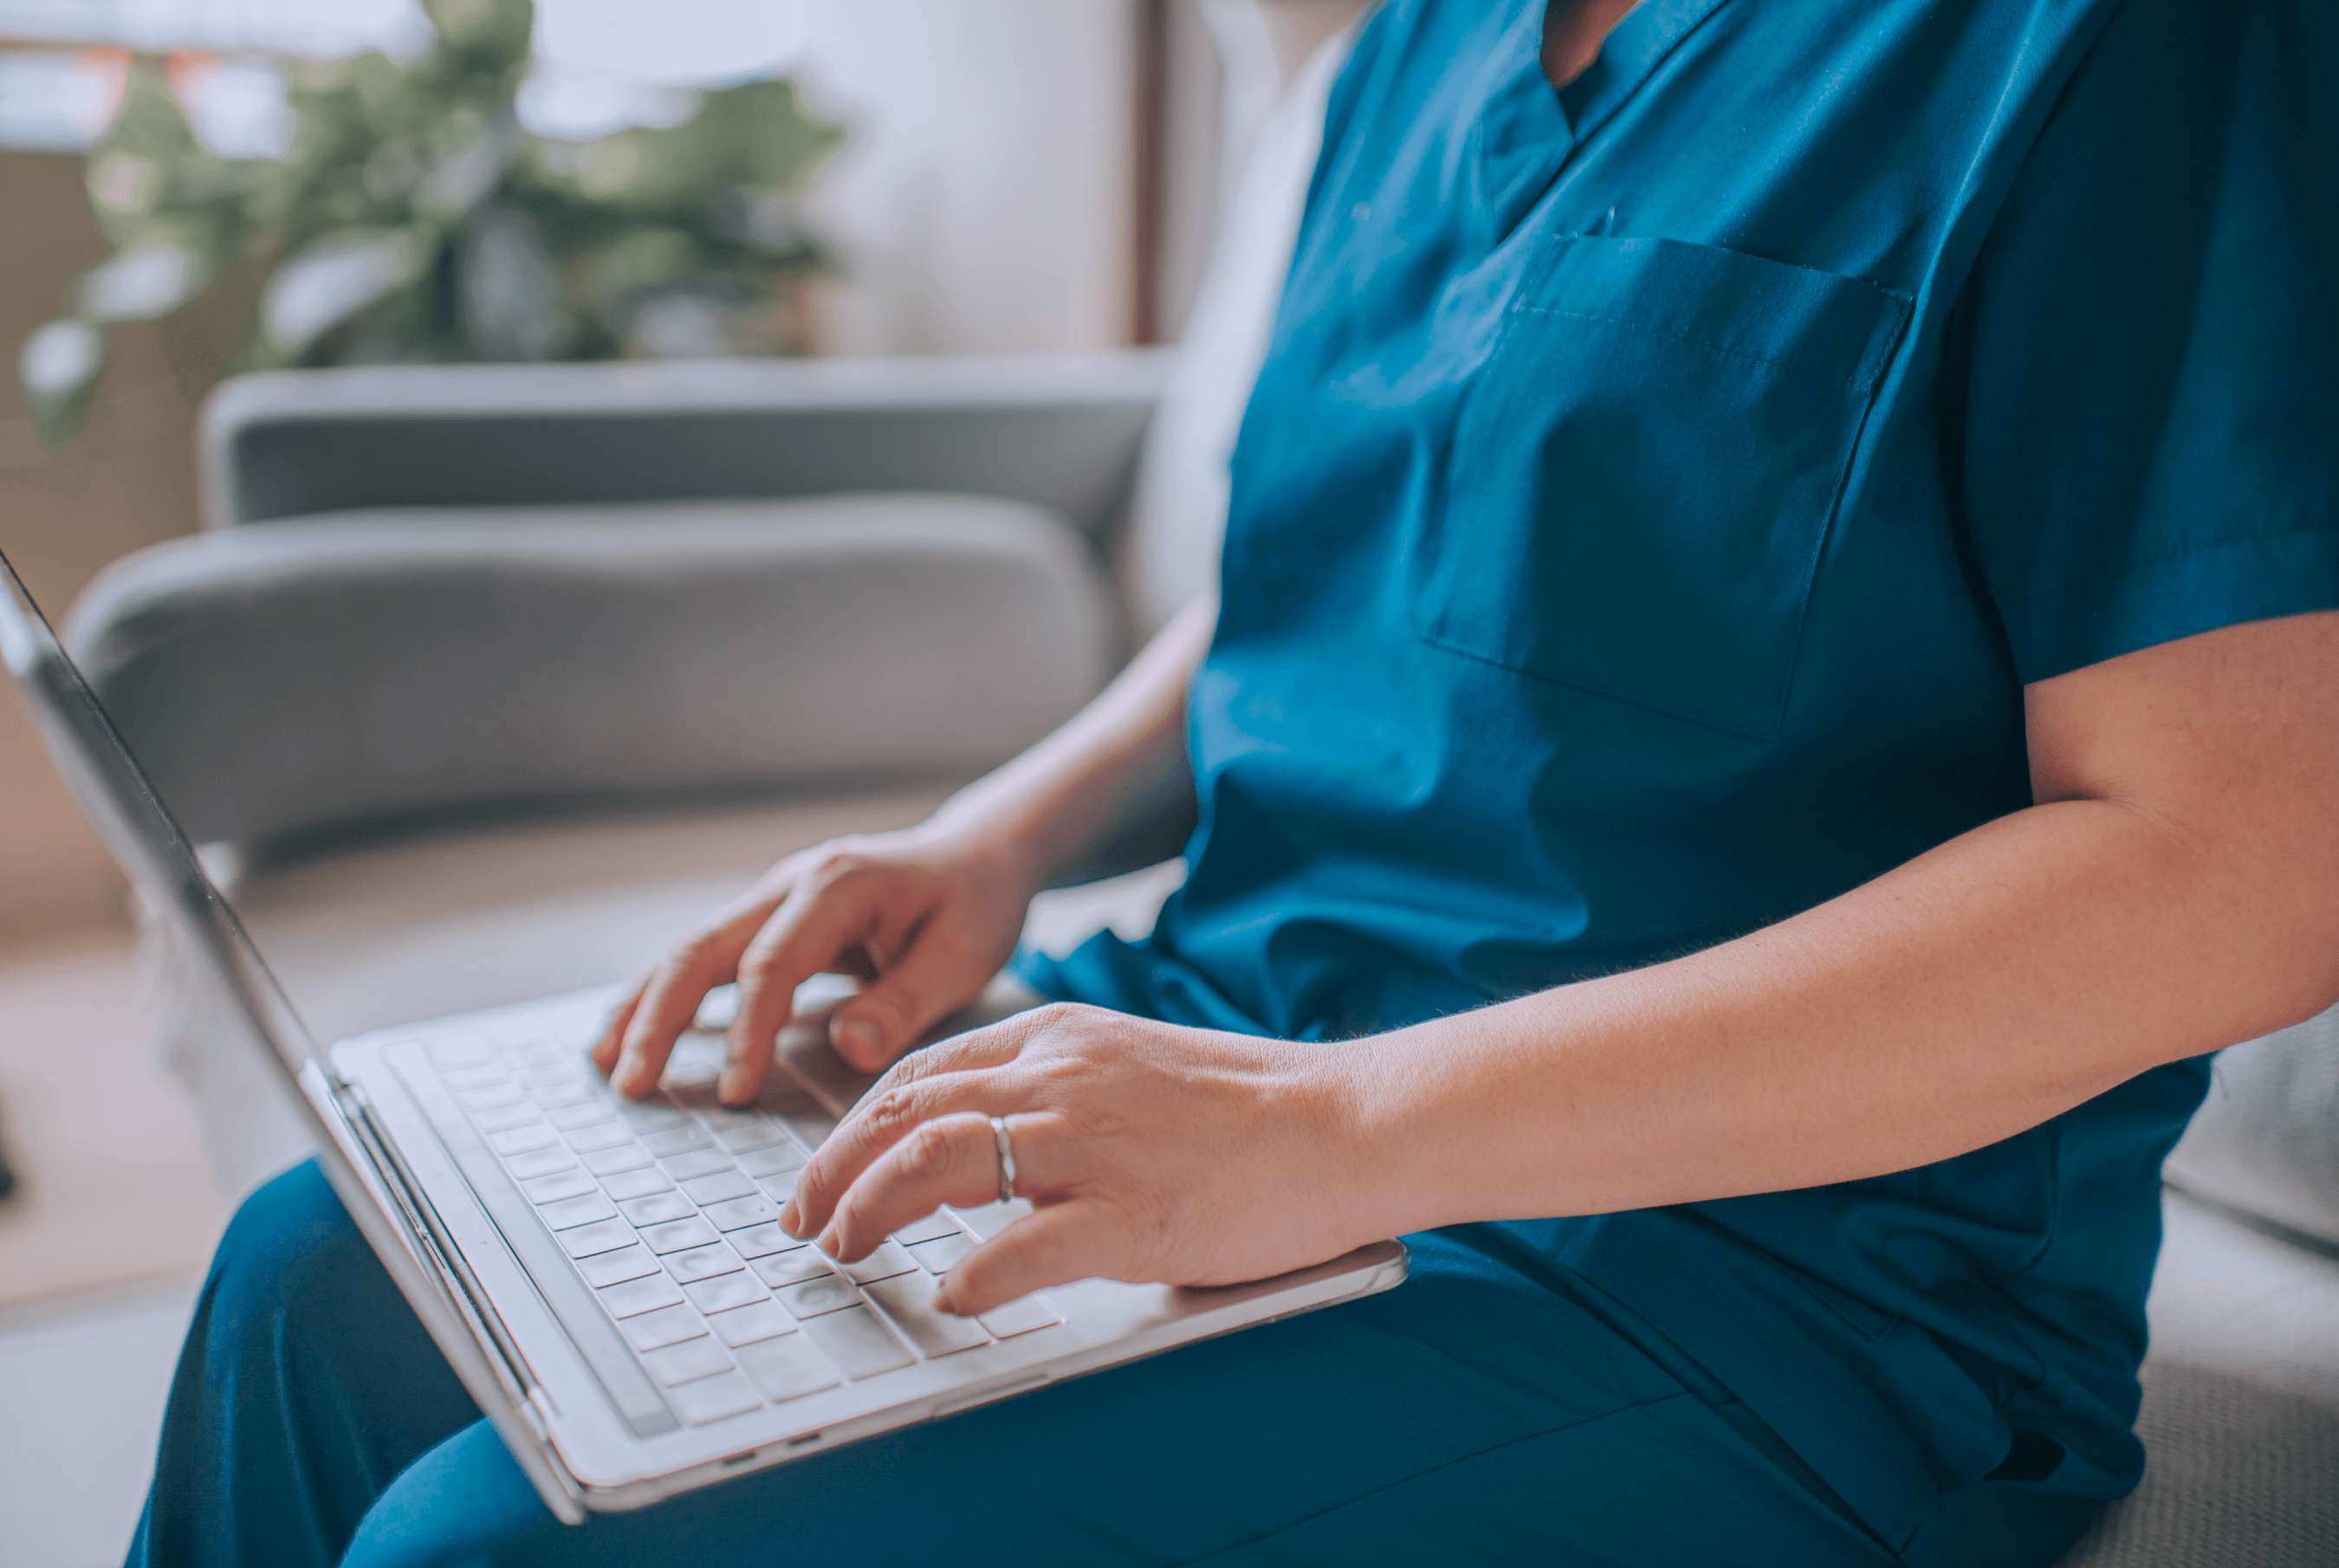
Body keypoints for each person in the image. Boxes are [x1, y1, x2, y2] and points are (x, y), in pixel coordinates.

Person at [129, 0, 2339, 1564]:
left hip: (1742, 1269)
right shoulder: (1426, 47)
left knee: (491, 1550)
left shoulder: (2133, 43)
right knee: (322, 1269)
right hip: (1224, 1031)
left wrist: (1343, 1131)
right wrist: (992, 835)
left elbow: (2241, 859)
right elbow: (1371, 565)